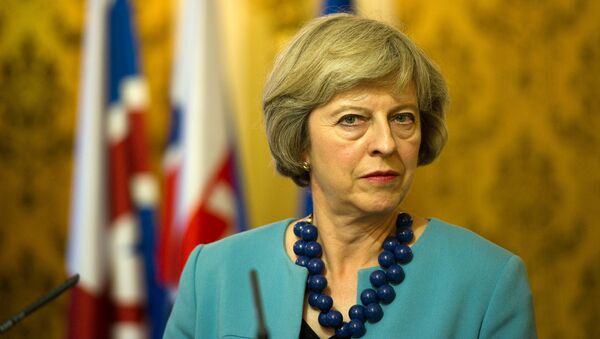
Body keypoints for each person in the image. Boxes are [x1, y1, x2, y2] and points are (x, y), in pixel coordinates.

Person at [163, 14, 536, 338]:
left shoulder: (488, 281)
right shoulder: (215, 271)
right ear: (300, 144)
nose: (386, 143)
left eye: (402, 117)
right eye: (352, 119)